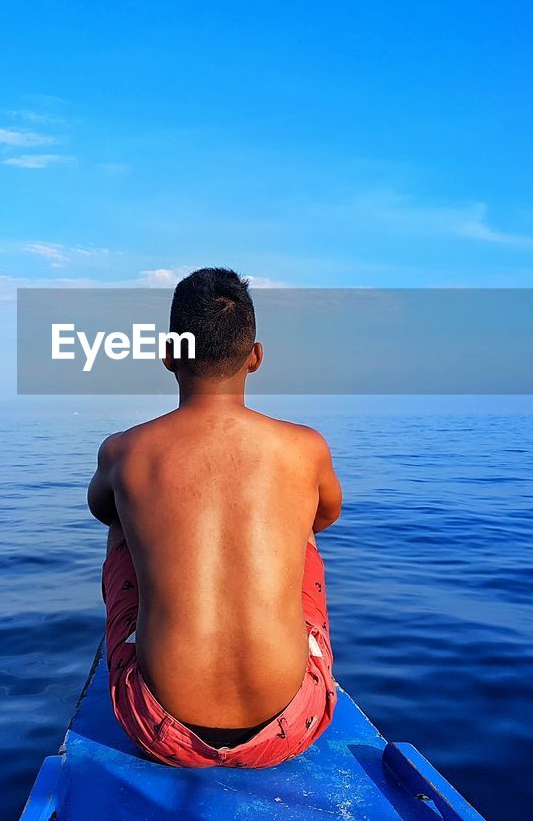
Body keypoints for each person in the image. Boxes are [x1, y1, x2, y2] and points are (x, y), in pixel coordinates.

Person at [87, 267, 343, 768]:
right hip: (292, 725)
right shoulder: (305, 447)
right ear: (256, 357)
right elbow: (327, 516)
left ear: (168, 355)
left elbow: (100, 509)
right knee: (304, 531)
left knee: (124, 520)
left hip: (157, 728)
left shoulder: (123, 450)